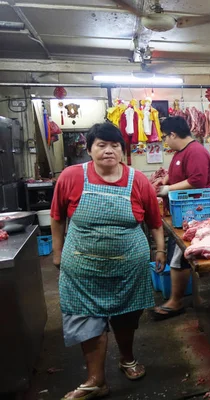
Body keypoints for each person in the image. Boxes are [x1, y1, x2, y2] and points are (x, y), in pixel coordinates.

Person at [50, 122, 165, 399]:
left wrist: (159, 250)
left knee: (126, 318)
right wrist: (57, 252)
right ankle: (95, 379)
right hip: (82, 266)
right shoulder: (71, 176)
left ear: (123, 151)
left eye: (115, 145)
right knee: (86, 318)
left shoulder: (138, 180)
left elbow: (154, 221)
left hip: (129, 267)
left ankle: (127, 359)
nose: (109, 151)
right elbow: (57, 216)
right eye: (101, 145)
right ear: (89, 149)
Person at [152, 116, 210, 320]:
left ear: (173, 134)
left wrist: (167, 189)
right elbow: (179, 173)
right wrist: (166, 179)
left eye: (165, 136)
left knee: (180, 256)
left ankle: (176, 301)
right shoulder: (181, 153)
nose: (165, 141)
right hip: (185, 213)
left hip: (197, 212)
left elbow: (197, 180)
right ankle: (181, 297)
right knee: (178, 254)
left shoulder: (195, 151)